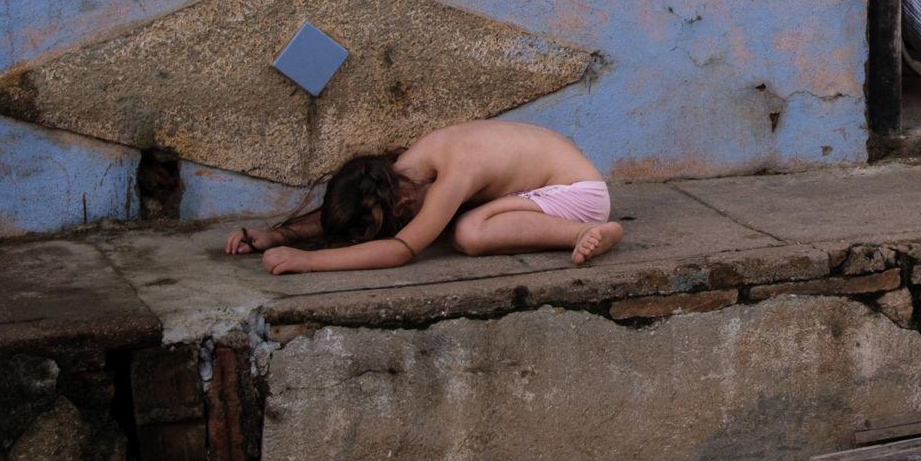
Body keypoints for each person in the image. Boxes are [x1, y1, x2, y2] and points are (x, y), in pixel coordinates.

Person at [222, 120, 622, 274]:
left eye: (399, 217)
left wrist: (309, 261)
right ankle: (577, 230)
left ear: (401, 204)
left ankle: (582, 233)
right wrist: (279, 236)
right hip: (537, 187)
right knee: (455, 227)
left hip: (577, 195)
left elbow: (401, 250)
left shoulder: (455, 171)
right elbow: (352, 206)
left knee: (468, 233)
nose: (409, 218)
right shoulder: (406, 170)